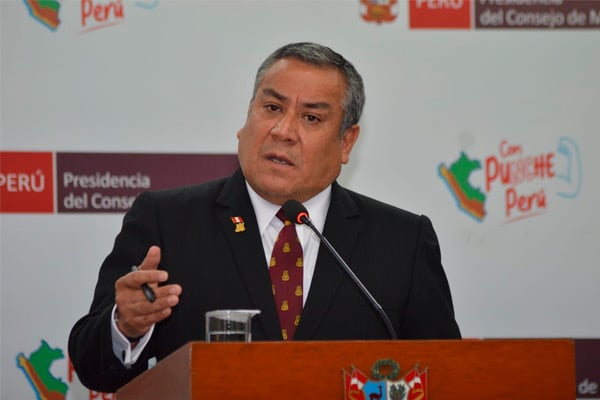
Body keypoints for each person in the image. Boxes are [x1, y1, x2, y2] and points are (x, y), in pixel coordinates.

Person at [68, 42, 461, 393]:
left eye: (311, 118)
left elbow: (448, 376)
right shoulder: (167, 222)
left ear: (346, 142)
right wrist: (125, 327)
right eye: (272, 108)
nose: (283, 131)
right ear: (247, 118)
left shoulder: (402, 241)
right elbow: (92, 367)